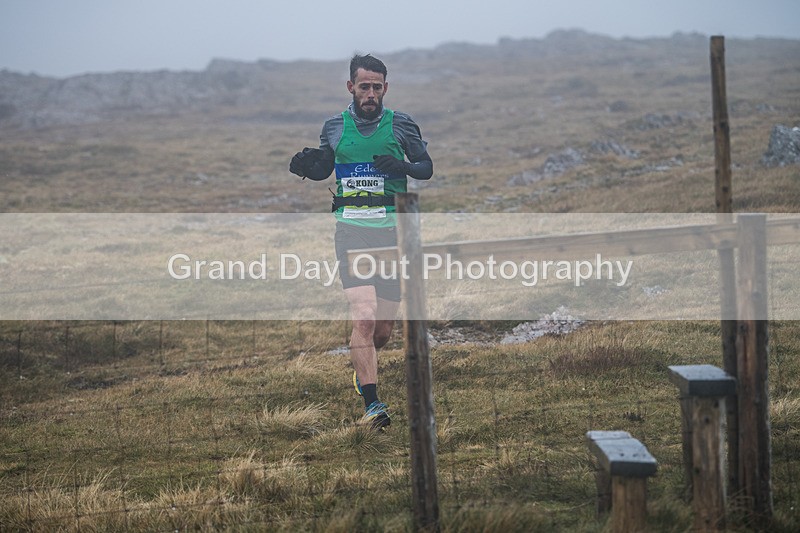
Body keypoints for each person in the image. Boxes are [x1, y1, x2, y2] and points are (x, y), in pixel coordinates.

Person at [289, 53, 433, 429]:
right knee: (364, 316)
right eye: (364, 86)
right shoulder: (334, 127)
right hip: (351, 230)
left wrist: (401, 166)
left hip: (393, 232)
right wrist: (307, 167)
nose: (370, 93)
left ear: (385, 88)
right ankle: (372, 405)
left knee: (382, 331)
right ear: (351, 87)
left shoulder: (401, 124)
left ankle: (361, 366)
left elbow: (426, 168)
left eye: (377, 87)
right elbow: (325, 167)